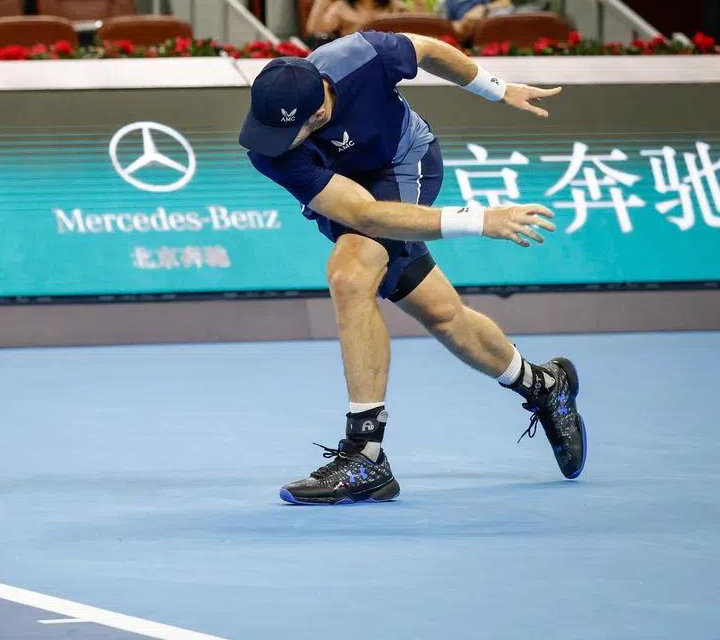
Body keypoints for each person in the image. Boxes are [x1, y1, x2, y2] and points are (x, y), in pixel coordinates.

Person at [237, 30, 586, 505]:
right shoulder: (268, 147)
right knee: (443, 314)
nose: (271, 142)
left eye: (285, 131)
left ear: (319, 111)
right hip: (351, 193)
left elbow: (431, 51)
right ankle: (544, 384)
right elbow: (361, 212)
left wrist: (497, 89)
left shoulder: (363, 57)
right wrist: (480, 220)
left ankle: (366, 455)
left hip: (405, 162)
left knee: (351, 273)